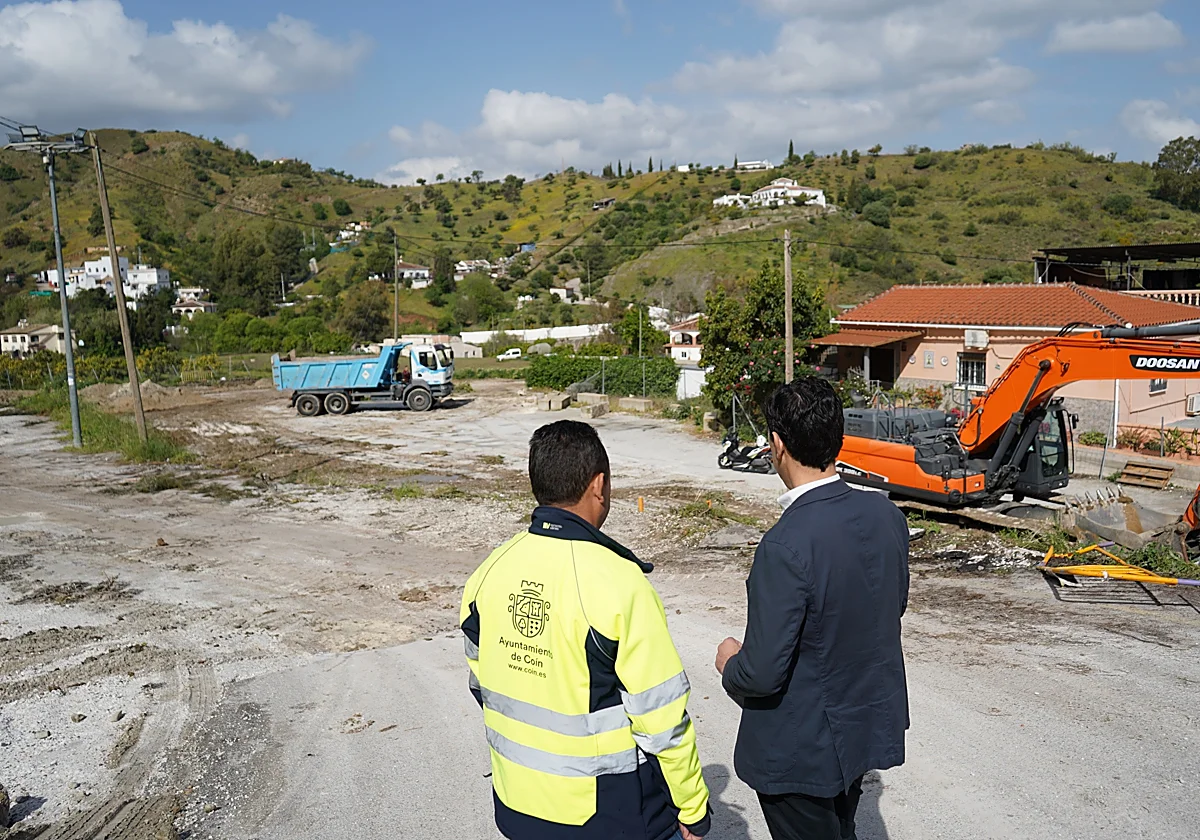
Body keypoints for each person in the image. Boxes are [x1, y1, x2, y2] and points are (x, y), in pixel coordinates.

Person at [461, 420, 711, 840]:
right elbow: (661, 717)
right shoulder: (620, 582)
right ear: (599, 485)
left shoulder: (490, 572)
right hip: (603, 814)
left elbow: (482, 681)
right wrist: (692, 806)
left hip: (516, 803)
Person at [715, 378, 910, 840]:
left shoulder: (785, 544)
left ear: (777, 445)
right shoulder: (887, 517)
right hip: (859, 727)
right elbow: (888, 609)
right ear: (837, 438)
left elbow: (762, 673)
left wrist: (730, 663)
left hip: (802, 752)